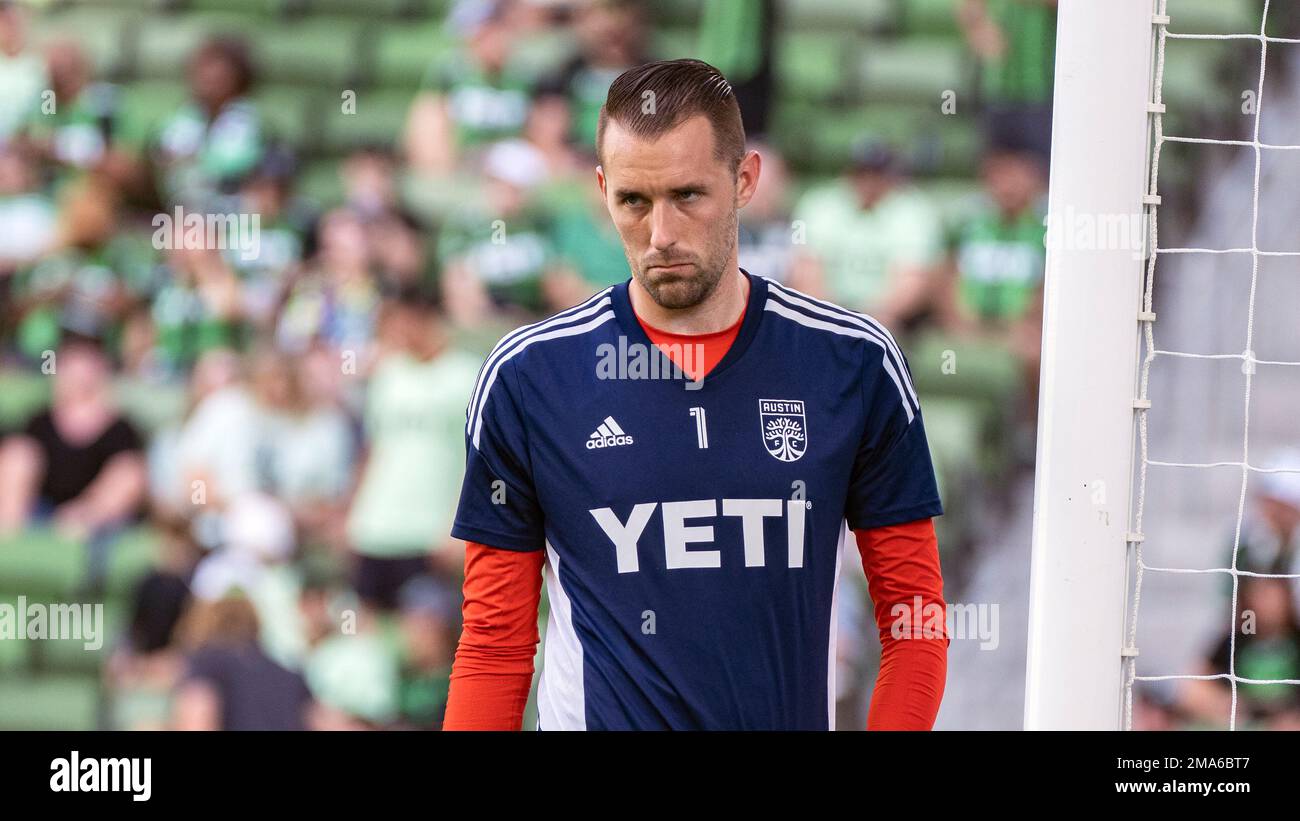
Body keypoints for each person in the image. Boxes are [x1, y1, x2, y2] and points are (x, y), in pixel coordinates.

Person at [443, 59, 948, 730]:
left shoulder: (852, 363)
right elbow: (494, 646)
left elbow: (914, 619)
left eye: (687, 195)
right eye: (633, 201)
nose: (660, 234)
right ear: (601, 191)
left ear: (745, 181)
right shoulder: (529, 377)